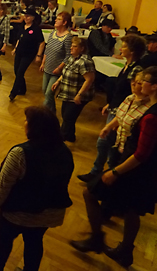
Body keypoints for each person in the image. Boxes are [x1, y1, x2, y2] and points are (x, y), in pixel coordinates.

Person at [70, 66, 157, 269]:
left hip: (132, 168)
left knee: (90, 193)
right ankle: (124, 251)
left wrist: (116, 172)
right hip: (134, 165)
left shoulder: (151, 115)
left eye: (143, 80)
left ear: (153, 86)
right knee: (131, 208)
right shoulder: (146, 108)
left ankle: (97, 239)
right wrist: (110, 126)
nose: (137, 84)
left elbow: (141, 153)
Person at [0, 106, 74, 271]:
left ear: (35, 127)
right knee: (34, 243)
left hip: (18, 212)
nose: (24, 122)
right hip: (49, 213)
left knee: (4, 240)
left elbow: (4, 184)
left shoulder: (20, 153)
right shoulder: (65, 152)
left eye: (27, 120)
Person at [77, 34, 146, 182]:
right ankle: (99, 172)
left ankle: (105, 175)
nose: (120, 48)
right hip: (116, 109)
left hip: (122, 113)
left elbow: (133, 94)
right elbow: (120, 91)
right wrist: (110, 104)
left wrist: (120, 116)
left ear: (132, 51)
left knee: (107, 144)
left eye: (124, 46)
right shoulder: (127, 66)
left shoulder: (136, 69)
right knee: (106, 144)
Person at [51, 37, 95, 142]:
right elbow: (66, 72)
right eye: (71, 45)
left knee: (68, 117)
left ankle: (59, 140)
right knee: (66, 115)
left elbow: (89, 80)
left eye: (74, 46)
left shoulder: (85, 62)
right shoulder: (72, 58)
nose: (71, 48)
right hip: (68, 92)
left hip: (78, 94)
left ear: (82, 48)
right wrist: (58, 81)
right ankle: (70, 137)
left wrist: (79, 95)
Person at [9, 9, 45, 101]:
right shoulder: (22, 26)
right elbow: (19, 39)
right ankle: (23, 89)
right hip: (19, 52)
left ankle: (13, 92)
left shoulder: (36, 29)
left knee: (20, 72)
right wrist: (15, 49)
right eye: (25, 16)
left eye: (28, 16)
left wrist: (39, 55)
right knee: (16, 71)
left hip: (29, 53)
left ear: (33, 18)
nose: (26, 18)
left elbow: (42, 43)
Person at [40, 12, 73, 112]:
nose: (55, 20)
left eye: (58, 19)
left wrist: (59, 68)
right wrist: (43, 62)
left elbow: (68, 56)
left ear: (64, 22)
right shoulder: (53, 33)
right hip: (48, 67)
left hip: (57, 70)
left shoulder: (68, 37)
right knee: (44, 90)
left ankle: (42, 114)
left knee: (49, 93)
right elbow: (47, 49)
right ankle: (52, 111)